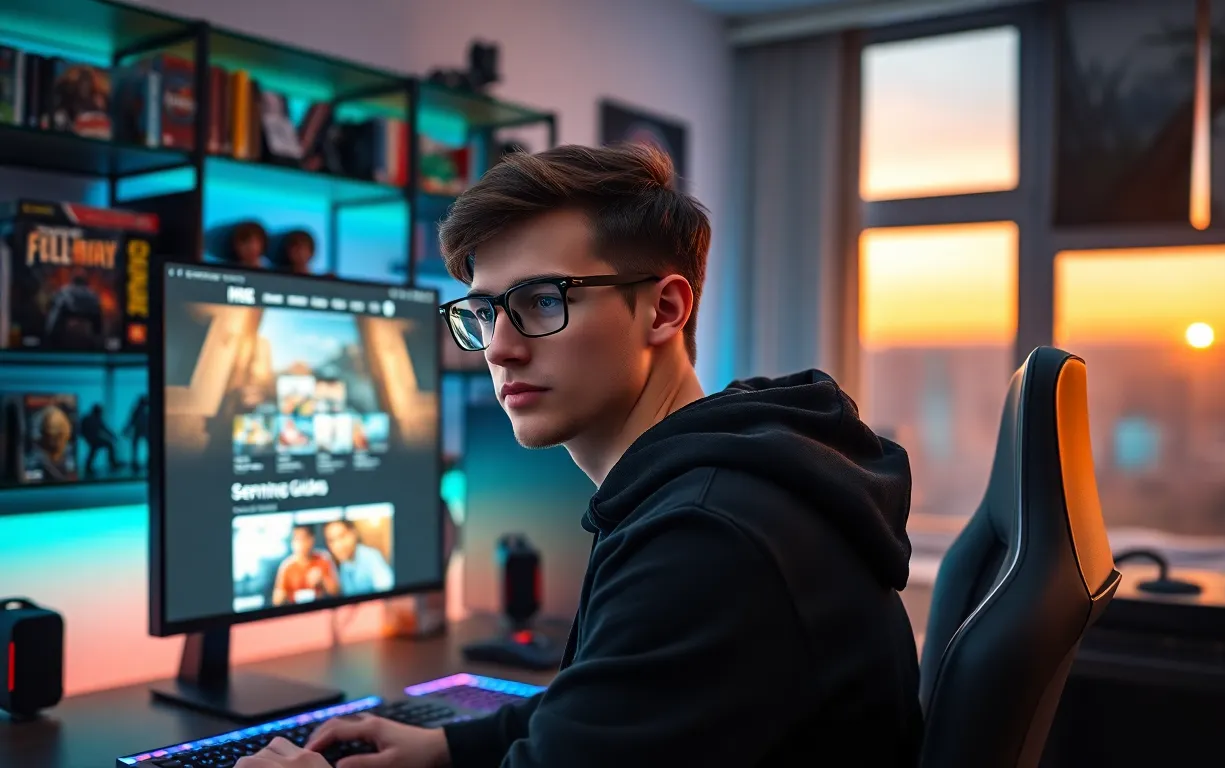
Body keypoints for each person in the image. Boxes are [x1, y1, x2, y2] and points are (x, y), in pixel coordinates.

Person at [238, 143, 923, 768]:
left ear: (664, 310)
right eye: (484, 313)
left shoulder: (705, 536)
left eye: (542, 301)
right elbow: (614, 702)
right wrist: (449, 746)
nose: (499, 348)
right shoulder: (712, 485)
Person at [271, 524, 340, 605]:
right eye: (296, 539)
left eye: (304, 538)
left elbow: (337, 592)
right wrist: (281, 596)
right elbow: (276, 601)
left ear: (312, 539)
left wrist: (323, 580)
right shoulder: (286, 566)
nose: (300, 544)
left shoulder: (324, 558)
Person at [323, 519, 394, 596]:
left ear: (353, 533)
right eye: (331, 540)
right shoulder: (343, 565)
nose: (338, 545)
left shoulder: (371, 556)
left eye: (342, 536)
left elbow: (387, 591)